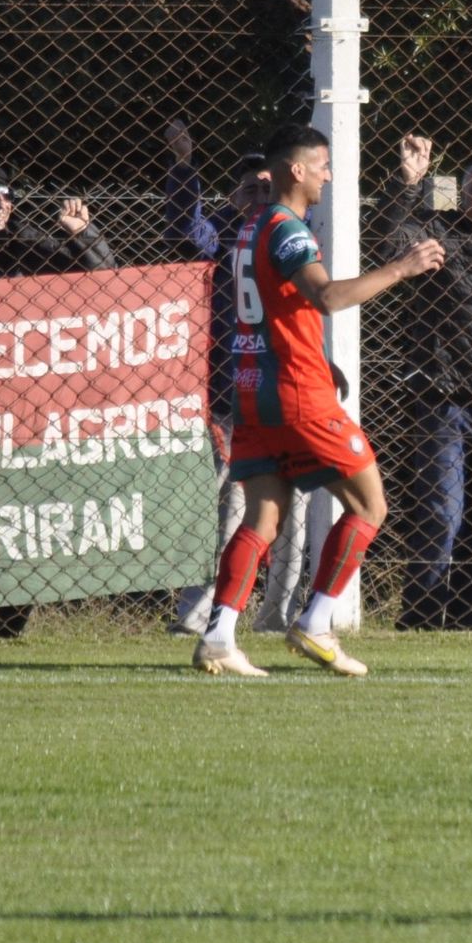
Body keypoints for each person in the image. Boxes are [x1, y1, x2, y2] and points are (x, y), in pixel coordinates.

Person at [192, 122, 445, 677]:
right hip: (297, 392)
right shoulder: (287, 228)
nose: (330, 176)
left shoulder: (251, 227)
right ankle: (316, 622)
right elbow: (326, 296)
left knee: (262, 518)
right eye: (324, 165)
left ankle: (219, 636)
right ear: (297, 169)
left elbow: (277, 311)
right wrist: (402, 267)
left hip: (254, 390)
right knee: (369, 504)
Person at [0, 162, 115, 639]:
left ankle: (11, 622)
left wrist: (84, 235)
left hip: (27, 407)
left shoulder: (34, 246)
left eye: (5, 197)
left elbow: (107, 281)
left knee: (25, 517)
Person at [368, 134, 472, 630]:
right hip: (443, 400)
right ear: (461, 192)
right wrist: (407, 182)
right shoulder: (440, 232)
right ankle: (419, 618)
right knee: (442, 514)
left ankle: (464, 623)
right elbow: (382, 242)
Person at [169, 149, 308, 637]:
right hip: (234, 394)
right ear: (233, 195)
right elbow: (186, 227)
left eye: (268, 190)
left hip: (292, 390)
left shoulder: (294, 233)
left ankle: (276, 615)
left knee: (295, 507)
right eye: (250, 189)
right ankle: (199, 612)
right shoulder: (225, 236)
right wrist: (183, 166)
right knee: (229, 507)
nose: (259, 199)